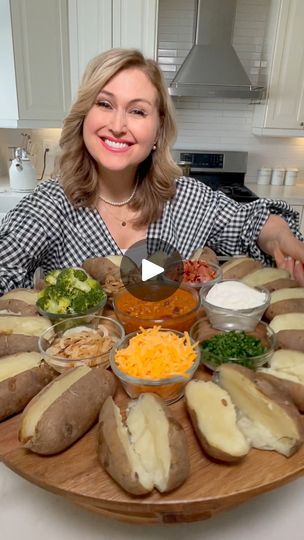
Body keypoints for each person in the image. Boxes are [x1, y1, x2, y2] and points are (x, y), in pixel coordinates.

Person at [0, 47, 304, 294]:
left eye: (137, 111)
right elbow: (5, 268)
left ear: (158, 131)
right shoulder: (50, 204)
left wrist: (280, 239)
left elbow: (252, 222)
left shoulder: (186, 198)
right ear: (84, 117)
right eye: (104, 104)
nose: (118, 126)